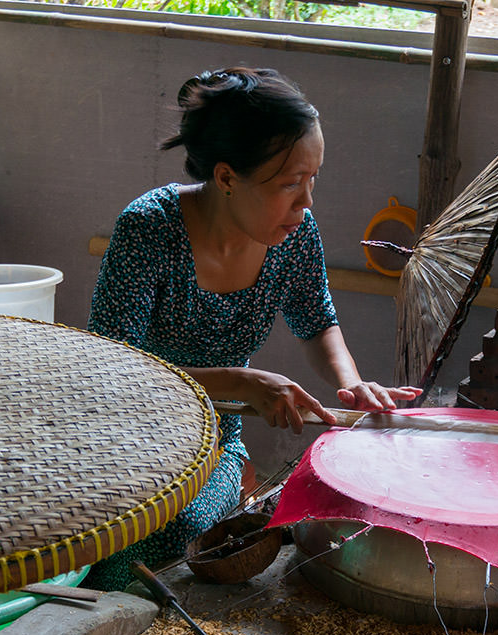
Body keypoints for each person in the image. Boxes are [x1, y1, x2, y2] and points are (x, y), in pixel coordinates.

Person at [84, 66, 420, 591]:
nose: (306, 202)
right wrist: (243, 382)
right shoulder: (149, 228)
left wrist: (350, 383)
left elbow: (318, 323)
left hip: (214, 442)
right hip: (125, 439)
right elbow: (110, 368)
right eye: (289, 185)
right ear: (225, 178)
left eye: (313, 180)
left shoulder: (294, 233)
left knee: (189, 535)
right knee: (113, 553)